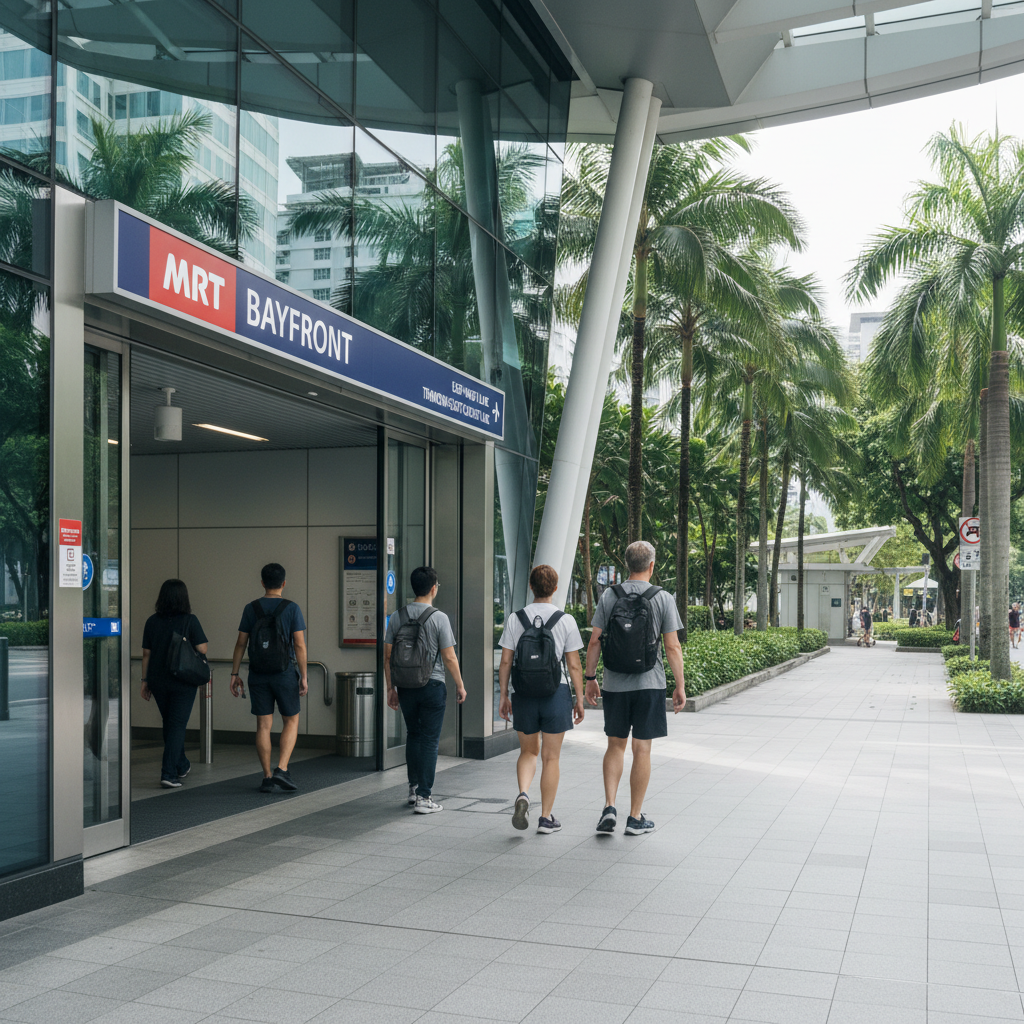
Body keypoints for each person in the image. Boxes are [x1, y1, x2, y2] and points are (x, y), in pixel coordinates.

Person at [585, 541, 686, 836]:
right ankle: (635, 817)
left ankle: (609, 806)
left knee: (615, 746)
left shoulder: (609, 595)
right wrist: (679, 685)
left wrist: (591, 678)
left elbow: (594, 641)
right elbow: (672, 646)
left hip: (615, 683)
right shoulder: (662, 597)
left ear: (626, 565)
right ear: (652, 566)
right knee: (642, 749)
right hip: (649, 684)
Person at [498, 564, 585, 835]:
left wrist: (503, 695)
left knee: (528, 752)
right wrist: (579, 698)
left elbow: (505, 661)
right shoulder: (565, 620)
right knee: (551, 757)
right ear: (555, 589)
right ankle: (546, 818)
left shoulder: (516, 618)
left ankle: (523, 794)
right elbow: (574, 666)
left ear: (531, 587)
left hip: (524, 693)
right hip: (555, 694)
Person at [384, 566, 467, 814]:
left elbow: (387, 655)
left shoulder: (397, 616)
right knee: (430, 741)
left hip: (406, 686)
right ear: (433, 588)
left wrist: (391, 687)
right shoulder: (438, 617)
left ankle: (413, 789)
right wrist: (460, 685)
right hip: (432, 685)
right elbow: (449, 657)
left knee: (413, 735)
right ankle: (424, 798)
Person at [230, 563, 308, 793]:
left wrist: (234, 674)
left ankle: (266, 777)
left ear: (262, 583)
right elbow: (300, 645)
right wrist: (303, 676)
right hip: (284, 673)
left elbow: (240, 643)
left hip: (257, 673)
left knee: (263, 725)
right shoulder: (292, 608)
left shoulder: (250, 608)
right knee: (291, 720)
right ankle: (281, 769)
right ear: (284, 583)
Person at [140, 579, 209, 789]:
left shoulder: (152, 621)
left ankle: (181, 764)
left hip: (158, 680)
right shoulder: (190, 620)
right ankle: (168, 773)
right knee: (177, 725)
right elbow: (203, 648)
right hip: (183, 681)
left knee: (169, 723)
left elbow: (146, 654)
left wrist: (144, 681)